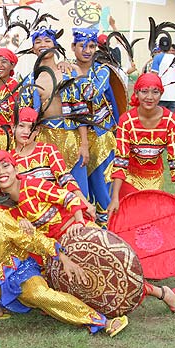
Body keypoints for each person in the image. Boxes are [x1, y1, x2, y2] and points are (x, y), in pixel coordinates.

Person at [0, 180, 129, 336]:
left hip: (19, 271)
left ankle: (101, 321)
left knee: (40, 295)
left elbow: (32, 239)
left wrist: (61, 256)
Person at [0, 150, 175, 313]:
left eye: (5, 166)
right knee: (86, 281)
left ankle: (161, 292)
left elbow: (68, 197)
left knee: (113, 269)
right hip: (57, 247)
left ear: (15, 169)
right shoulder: (4, 206)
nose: (1, 173)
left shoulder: (32, 186)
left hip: (75, 231)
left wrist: (79, 222)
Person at [20, 29, 89, 197]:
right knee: (51, 191)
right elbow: (25, 115)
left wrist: (84, 144)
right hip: (43, 139)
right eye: (38, 42)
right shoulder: (30, 80)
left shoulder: (68, 72)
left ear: (55, 45)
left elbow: (80, 109)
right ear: (32, 49)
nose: (43, 45)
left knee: (79, 189)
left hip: (71, 137)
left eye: (47, 41)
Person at [66, 28, 119, 228]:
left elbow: (91, 93)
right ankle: (88, 232)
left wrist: (77, 73)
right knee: (79, 189)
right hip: (76, 139)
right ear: (73, 47)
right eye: (82, 46)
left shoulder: (102, 71)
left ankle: (111, 231)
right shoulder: (65, 69)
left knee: (103, 188)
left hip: (101, 136)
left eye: (91, 46)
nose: (87, 50)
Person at [107, 73, 175, 214]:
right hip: (129, 179)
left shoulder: (170, 120)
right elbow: (121, 160)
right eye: (144, 91)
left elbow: (173, 159)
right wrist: (114, 198)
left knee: (151, 224)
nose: (150, 97)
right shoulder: (126, 120)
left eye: (155, 92)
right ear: (136, 93)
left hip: (156, 180)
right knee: (129, 222)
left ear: (161, 94)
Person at [11, 107, 95, 218]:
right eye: (21, 126)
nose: (26, 132)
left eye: (32, 128)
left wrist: (84, 202)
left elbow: (65, 178)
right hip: (29, 219)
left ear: (37, 131)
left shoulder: (48, 150)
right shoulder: (9, 159)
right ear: (13, 128)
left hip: (59, 212)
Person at [151, 38, 175, 112]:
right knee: (172, 121)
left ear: (160, 46)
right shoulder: (174, 58)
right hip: (173, 95)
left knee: (160, 120)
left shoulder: (157, 58)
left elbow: (154, 76)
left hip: (160, 95)